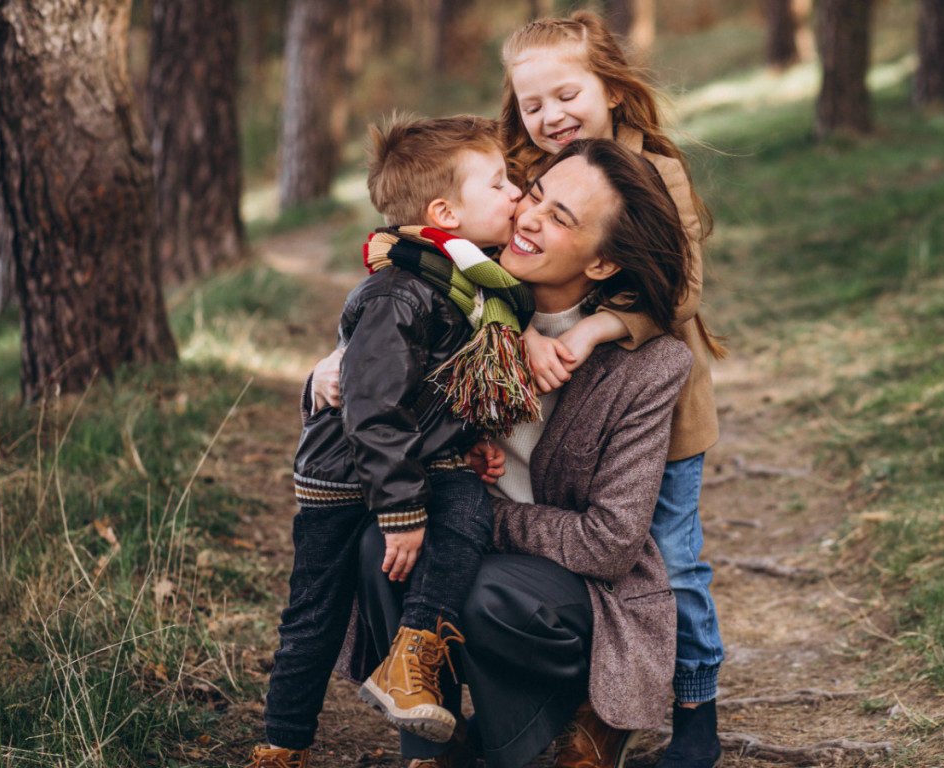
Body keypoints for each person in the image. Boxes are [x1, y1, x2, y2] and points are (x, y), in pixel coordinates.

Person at [326, 139, 692, 768]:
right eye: (536, 195)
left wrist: (469, 522)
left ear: (603, 263)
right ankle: (429, 747)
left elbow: (608, 544)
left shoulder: (648, 366)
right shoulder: (463, 299)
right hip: (468, 539)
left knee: (477, 584)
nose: (528, 216)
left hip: (575, 589)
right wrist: (331, 364)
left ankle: (547, 729)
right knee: (380, 545)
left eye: (560, 218)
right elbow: (385, 301)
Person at [250, 114, 529, 768]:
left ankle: (414, 667)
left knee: (465, 514)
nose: (517, 192)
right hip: (347, 475)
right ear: (444, 212)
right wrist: (400, 514)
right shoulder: (401, 291)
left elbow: (443, 381)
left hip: (422, 459)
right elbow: (374, 409)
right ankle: (283, 739)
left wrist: (478, 433)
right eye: (499, 183)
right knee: (315, 611)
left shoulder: (468, 285)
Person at [499, 13, 726, 768]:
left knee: (673, 561)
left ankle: (696, 712)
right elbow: (486, 257)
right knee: (576, 543)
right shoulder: (528, 174)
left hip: (661, 416)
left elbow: (683, 291)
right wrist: (525, 330)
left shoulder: (656, 172)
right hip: (571, 419)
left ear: (613, 90)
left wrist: (598, 329)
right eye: (533, 105)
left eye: (567, 95)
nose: (550, 117)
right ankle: (587, 700)